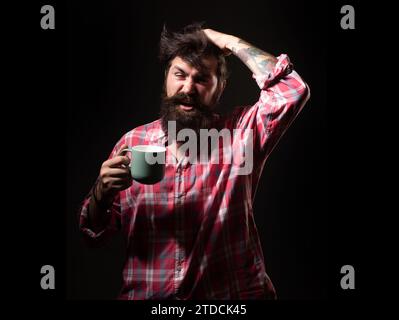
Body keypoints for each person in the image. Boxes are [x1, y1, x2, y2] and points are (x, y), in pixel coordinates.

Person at [79, 23, 310, 300]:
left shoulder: (240, 135)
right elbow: (93, 234)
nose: (188, 88)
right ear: (166, 78)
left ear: (220, 87)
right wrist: (101, 195)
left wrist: (229, 41)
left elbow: (293, 89)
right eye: (180, 75)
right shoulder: (132, 143)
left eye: (202, 78)